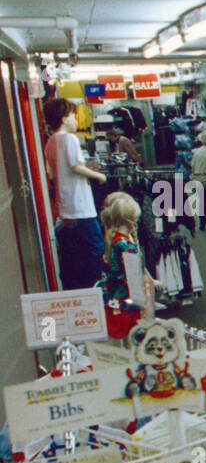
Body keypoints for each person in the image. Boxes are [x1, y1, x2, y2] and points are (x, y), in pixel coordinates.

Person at [43, 98, 107, 288]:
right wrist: (98, 176)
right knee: (95, 248)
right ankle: (93, 290)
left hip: (65, 208)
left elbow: (54, 173)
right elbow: (75, 166)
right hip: (81, 207)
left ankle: (76, 291)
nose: (75, 119)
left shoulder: (51, 142)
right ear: (63, 118)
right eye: (72, 115)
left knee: (73, 256)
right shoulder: (69, 138)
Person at [96, 192, 145, 340]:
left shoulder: (113, 240)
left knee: (118, 336)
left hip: (115, 294)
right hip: (126, 297)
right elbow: (133, 276)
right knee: (132, 337)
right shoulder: (125, 246)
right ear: (131, 220)